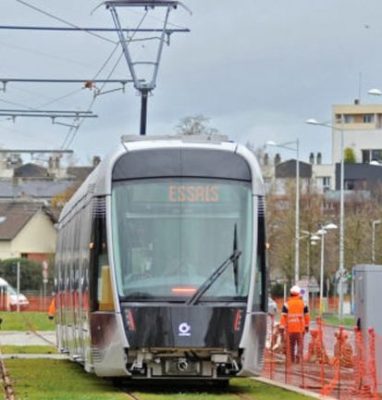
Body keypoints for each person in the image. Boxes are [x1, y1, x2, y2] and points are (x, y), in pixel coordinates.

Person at [279, 285, 310, 363]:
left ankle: (291, 359)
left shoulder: (287, 304)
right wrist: (307, 326)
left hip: (290, 329)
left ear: (291, 294)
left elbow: (283, 317)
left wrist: (282, 328)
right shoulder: (303, 304)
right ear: (299, 294)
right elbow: (306, 316)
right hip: (300, 328)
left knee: (291, 345)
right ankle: (299, 357)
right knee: (300, 344)